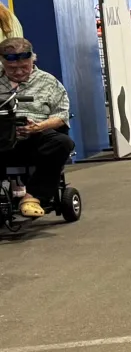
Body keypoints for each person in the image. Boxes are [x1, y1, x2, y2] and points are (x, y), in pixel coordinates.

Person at [1, 37, 72, 219]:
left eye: (24, 67)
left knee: (62, 142)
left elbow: (61, 116)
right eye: (12, 69)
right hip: (2, 140)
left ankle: (32, 197)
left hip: (34, 140)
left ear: (33, 59)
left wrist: (38, 127)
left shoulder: (48, 82)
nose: (18, 72)